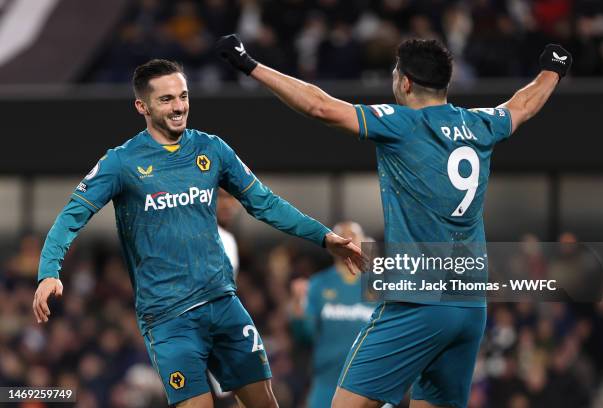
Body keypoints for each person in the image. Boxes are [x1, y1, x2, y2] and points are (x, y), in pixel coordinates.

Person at [216, 35, 572, 408]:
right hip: (469, 305)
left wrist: (250, 65)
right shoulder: (481, 123)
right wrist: (553, 69)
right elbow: (524, 105)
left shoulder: (402, 123)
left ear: (405, 82)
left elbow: (320, 106)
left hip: (419, 300)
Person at [32, 59, 364, 408]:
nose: (179, 107)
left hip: (223, 304)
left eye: (184, 96)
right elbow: (71, 216)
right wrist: (48, 272)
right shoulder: (122, 163)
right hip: (168, 318)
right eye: (166, 100)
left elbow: (264, 203)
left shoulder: (212, 149)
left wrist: (324, 237)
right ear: (141, 106)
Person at [289, 221, 383, 408]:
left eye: (353, 235)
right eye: (342, 235)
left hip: (371, 381)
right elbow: (305, 333)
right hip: (327, 381)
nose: (347, 240)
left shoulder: (379, 284)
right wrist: (298, 304)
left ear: (363, 241)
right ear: (331, 246)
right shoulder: (318, 283)